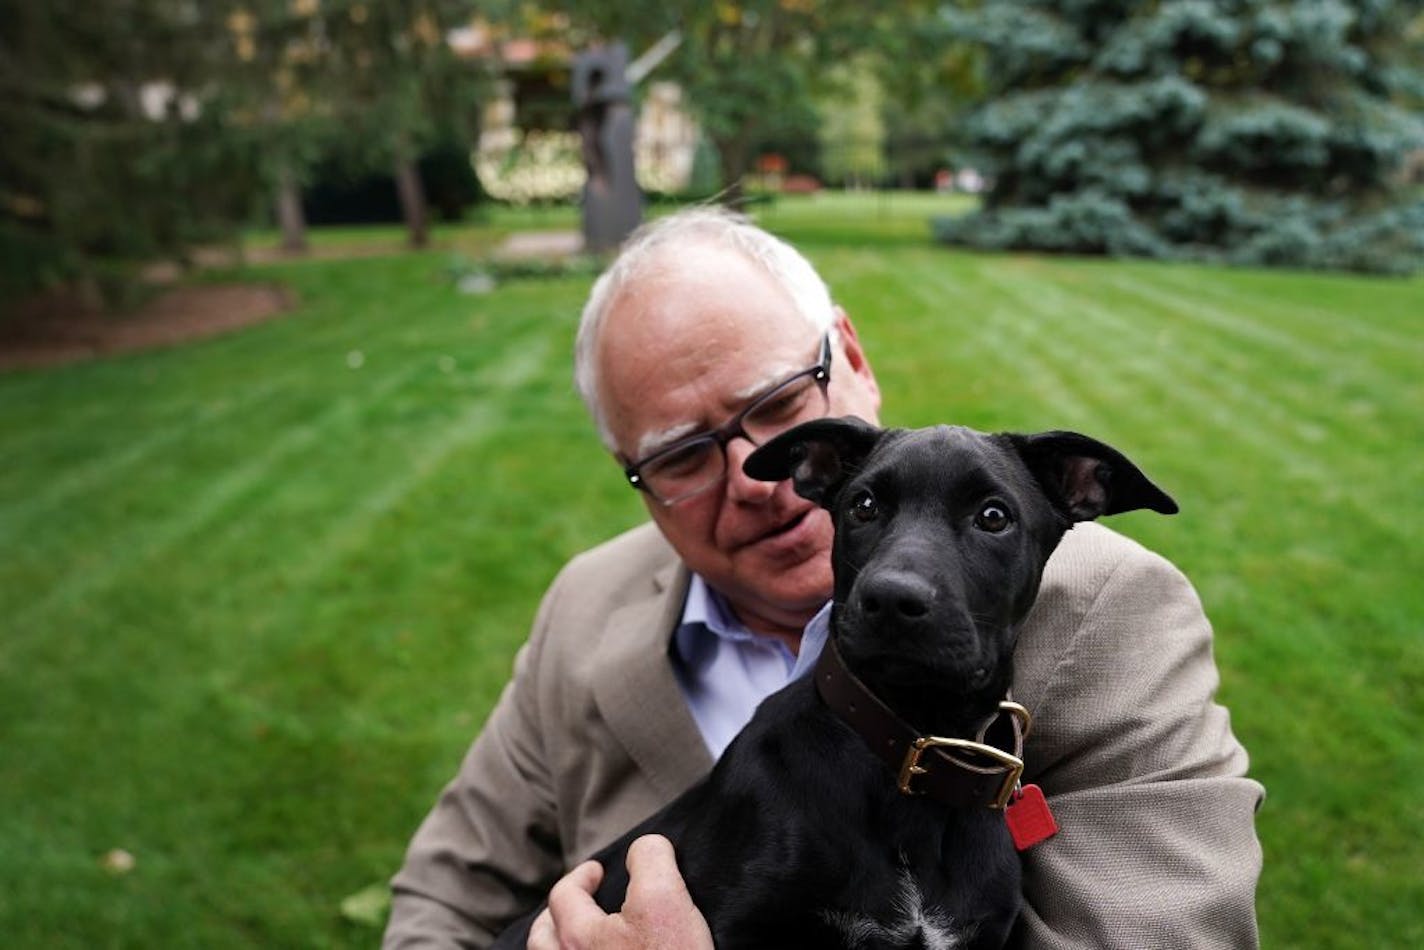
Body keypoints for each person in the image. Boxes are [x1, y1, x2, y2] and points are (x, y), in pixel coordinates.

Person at [384, 207, 1264, 949]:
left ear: (850, 355)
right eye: (682, 455)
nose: (754, 485)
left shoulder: (1113, 614)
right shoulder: (585, 605)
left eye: (777, 405)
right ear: (631, 471)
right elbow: (441, 902)